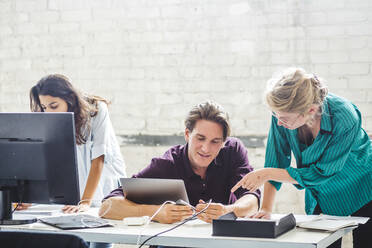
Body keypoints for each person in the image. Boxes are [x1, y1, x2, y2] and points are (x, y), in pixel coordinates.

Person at [232, 68, 372, 248]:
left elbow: (322, 172)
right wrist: (265, 209)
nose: (279, 122)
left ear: (311, 110)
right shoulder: (281, 114)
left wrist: (267, 174)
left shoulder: (345, 115)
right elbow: (275, 160)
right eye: (276, 116)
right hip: (324, 193)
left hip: (364, 186)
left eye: (283, 118)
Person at [99, 101, 260, 226]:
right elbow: (107, 206)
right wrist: (156, 212)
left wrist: (228, 210)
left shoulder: (233, 152)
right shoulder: (166, 165)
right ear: (187, 134)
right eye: (200, 138)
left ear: (224, 142)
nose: (205, 148)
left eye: (215, 141)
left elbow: (252, 201)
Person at [29, 74, 127, 213]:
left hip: (102, 181)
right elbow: (52, 162)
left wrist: (85, 202)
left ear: (69, 98)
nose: (49, 112)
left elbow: (99, 158)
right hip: (79, 189)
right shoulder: (54, 119)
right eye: (45, 107)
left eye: (54, 106)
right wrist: (32, 199)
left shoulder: (97, 109)